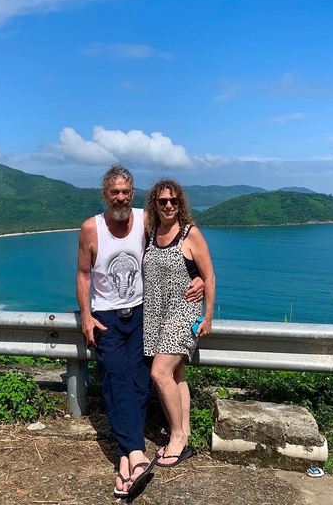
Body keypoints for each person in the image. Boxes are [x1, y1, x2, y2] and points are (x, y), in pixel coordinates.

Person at [76, 166, 203, 497]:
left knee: (137, 381)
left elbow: (174, 246)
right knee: (116, 379)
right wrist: (86, 315)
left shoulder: (146, 220)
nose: (120, 197)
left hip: (143, 313)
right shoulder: (92, 228)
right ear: (105, 194)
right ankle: (135, 453)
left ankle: (123, 460)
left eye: (126, 192)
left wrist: (199, 276)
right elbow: (84, 273)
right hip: (107, 316)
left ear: (133, 193)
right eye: (114, 192)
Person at [143, 179, 216, 468]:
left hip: (183, 313)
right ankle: (184, 432)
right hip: (156, 314)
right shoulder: (151, 232)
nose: (169, 205)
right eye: (163, 201)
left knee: (159, 374)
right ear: (155, 204)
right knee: (177, 376)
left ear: (180, 202)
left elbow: (208, 276)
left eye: (173, 200)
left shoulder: (190, 233)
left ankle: (176, 438)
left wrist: (208, 316)